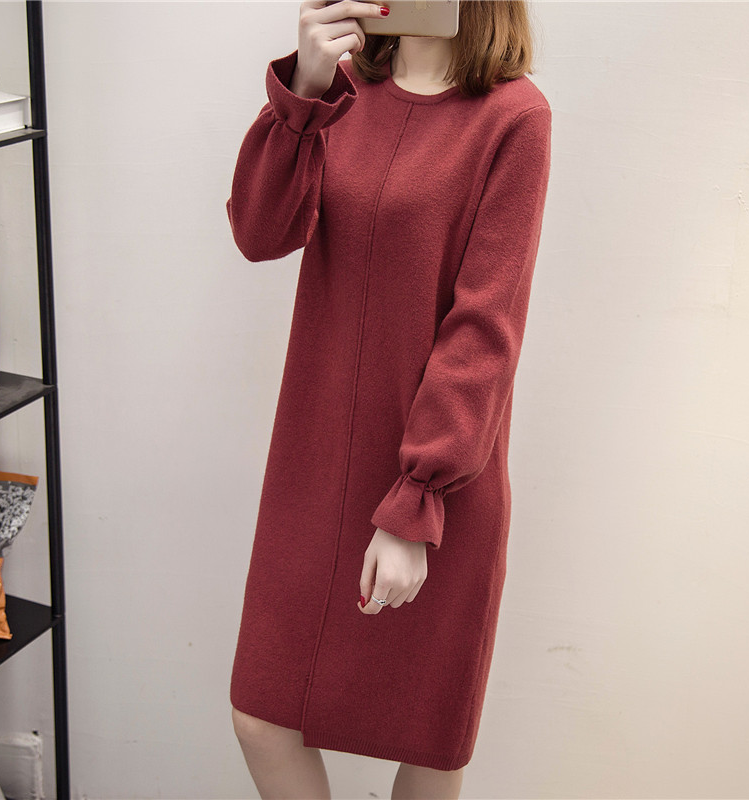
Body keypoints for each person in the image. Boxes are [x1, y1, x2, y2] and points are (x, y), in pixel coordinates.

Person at [226, 1, 552, 797]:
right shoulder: (341, 92)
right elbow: (260, 232)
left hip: (435, 474)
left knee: (426, 743)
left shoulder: (514, 116)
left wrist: (415, 504)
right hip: (313, 467)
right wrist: (305, 91)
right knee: (262, 717)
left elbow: (485, 327)